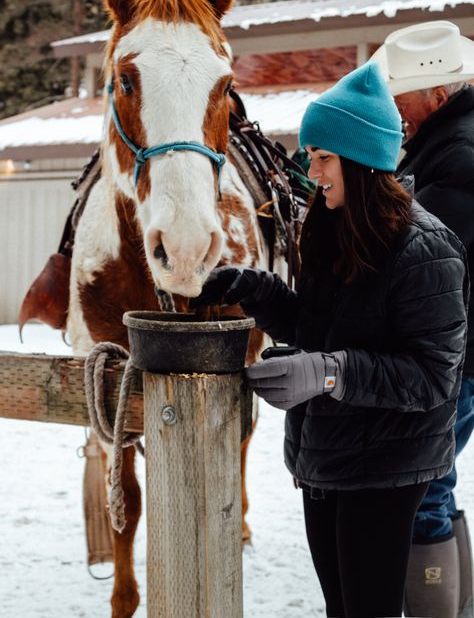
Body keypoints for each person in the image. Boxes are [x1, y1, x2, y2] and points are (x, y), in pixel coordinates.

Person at [190, 61, 469, 618]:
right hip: (325, 457)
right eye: (311, 156)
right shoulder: (330, 229)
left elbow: (432, 377)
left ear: (362, 160)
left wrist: (327, 372)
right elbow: (317, 331)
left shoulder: (425, 249)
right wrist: (256, 289)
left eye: (322, 158)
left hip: (388, 463)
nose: (310, 171)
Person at [371, 20, 474, 618]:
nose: (393, 110)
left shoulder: (458, 156)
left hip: (451, 359)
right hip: (458, 354)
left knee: (423, 489)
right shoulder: (444, 145)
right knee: (440, 481)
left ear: (436, 93)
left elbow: (423, 262)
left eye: (400, 96)